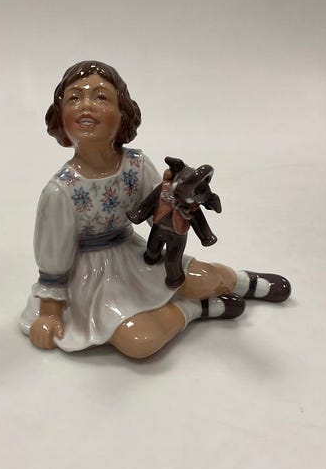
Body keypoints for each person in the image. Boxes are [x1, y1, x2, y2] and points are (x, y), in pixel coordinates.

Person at [20, 61, 290, 359]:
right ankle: (195, 309)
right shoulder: (61, 190)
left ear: (122, 114)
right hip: (90, 281)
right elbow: (52, 259)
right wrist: (50, 313)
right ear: (60, 116)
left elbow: (157, 216)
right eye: (74, 98)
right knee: (139, 341)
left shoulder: (135, 165)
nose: (86, 106)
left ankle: (245, 282)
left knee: (205, 278)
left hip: (137, 255)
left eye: (101, 97)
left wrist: (179, 202)